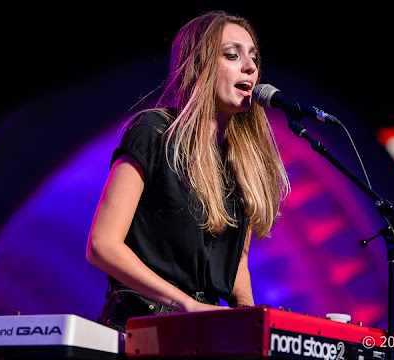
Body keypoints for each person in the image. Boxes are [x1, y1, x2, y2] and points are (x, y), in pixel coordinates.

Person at [86, 10, 289, 333]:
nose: (250, 66)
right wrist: (186, 304)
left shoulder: (242, 163)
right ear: (200, 66)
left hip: (200, 328)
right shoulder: (154, 131)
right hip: (143, 325)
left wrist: (250, 319)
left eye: (253, 57)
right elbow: (102, 245)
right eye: (232, 55)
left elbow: (236, 269)